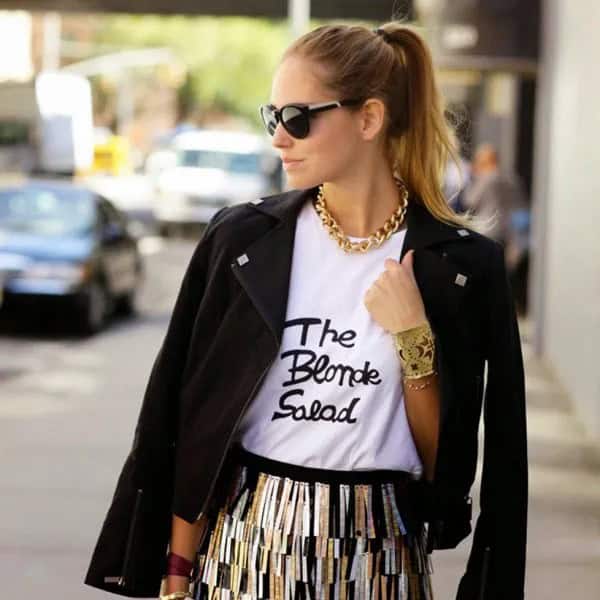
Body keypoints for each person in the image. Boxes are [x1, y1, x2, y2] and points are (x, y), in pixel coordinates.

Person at [84, 22, 528, 600]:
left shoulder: (459, 267)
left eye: (297, 118)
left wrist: (414, 336)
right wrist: (175, 574)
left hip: (381, 556)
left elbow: (445, 461)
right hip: (245, 546)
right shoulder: (243, 241)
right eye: (273, 118)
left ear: (368, 119)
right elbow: (191, 418)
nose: (278, 138)